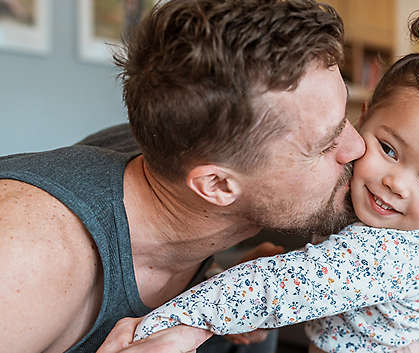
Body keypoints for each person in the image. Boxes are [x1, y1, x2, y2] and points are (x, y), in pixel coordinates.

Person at [131, 14, 419, 353]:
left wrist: (175, 324)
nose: (395, 184)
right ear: (362, 119)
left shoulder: (392, 250)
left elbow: (280, 288)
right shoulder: (349, 190)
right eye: (389, 149)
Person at [0, 0, 364, 352]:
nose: (358, 147)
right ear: (217, 186)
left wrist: (217, 280)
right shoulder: (26, 257)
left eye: (346, 120)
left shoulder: (181, 154)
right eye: (325, 145)